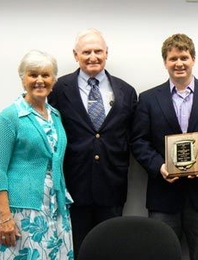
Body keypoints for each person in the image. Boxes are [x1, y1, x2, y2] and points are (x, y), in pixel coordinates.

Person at [131, 33, 198, 260]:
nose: (179, 63)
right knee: (161, 254)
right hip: (163, 195)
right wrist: (159, 166)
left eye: (184, 57)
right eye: (173, 58)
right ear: (165, 62)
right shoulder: (148, 98)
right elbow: (139, 141)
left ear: (193, 59)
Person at [47, 28, 137, 258]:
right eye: (86, 52)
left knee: (111, 248)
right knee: (77, 250)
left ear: (107, 53)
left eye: (98, 51)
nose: (93, 57)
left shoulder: (126, 91)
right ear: (75, 55)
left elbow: (133, 136)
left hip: (113, 184)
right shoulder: (58, 89)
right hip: (73, 185)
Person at [0, 50, 74, 259]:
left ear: (54, 80)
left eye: (46, 75)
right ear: (23, 79)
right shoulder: (10, 117)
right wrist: (5, 218)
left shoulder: (55, 115)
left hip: (55, 208)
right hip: (22, 212)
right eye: (33, 75)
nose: (40, 80)